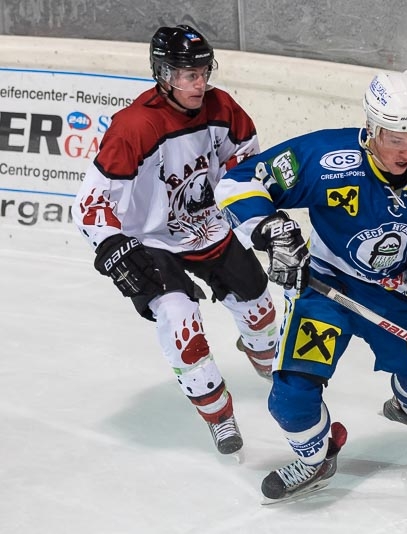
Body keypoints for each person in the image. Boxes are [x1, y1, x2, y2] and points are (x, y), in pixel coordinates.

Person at [215, 69, 407, 501]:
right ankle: (317, 459)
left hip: (395, 294)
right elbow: (239, 181)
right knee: (291, 399)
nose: (406, 151)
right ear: (371, 128)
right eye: (396, 139)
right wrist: (271, 231)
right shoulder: (328, 157)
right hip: (324, 287)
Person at [71, 25, 280, 456]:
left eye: (203, 72)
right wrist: (111, 245)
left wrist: (254, 218)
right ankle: (219, 415)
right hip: (152, 239)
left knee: (260, 309)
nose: (200, 84)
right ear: (164, 75)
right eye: (189, 75)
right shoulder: (135, 126)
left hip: (207, 225)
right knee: (182, 323)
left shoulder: (222, 108)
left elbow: (246, 166)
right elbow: (90, 202)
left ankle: (262, 354)